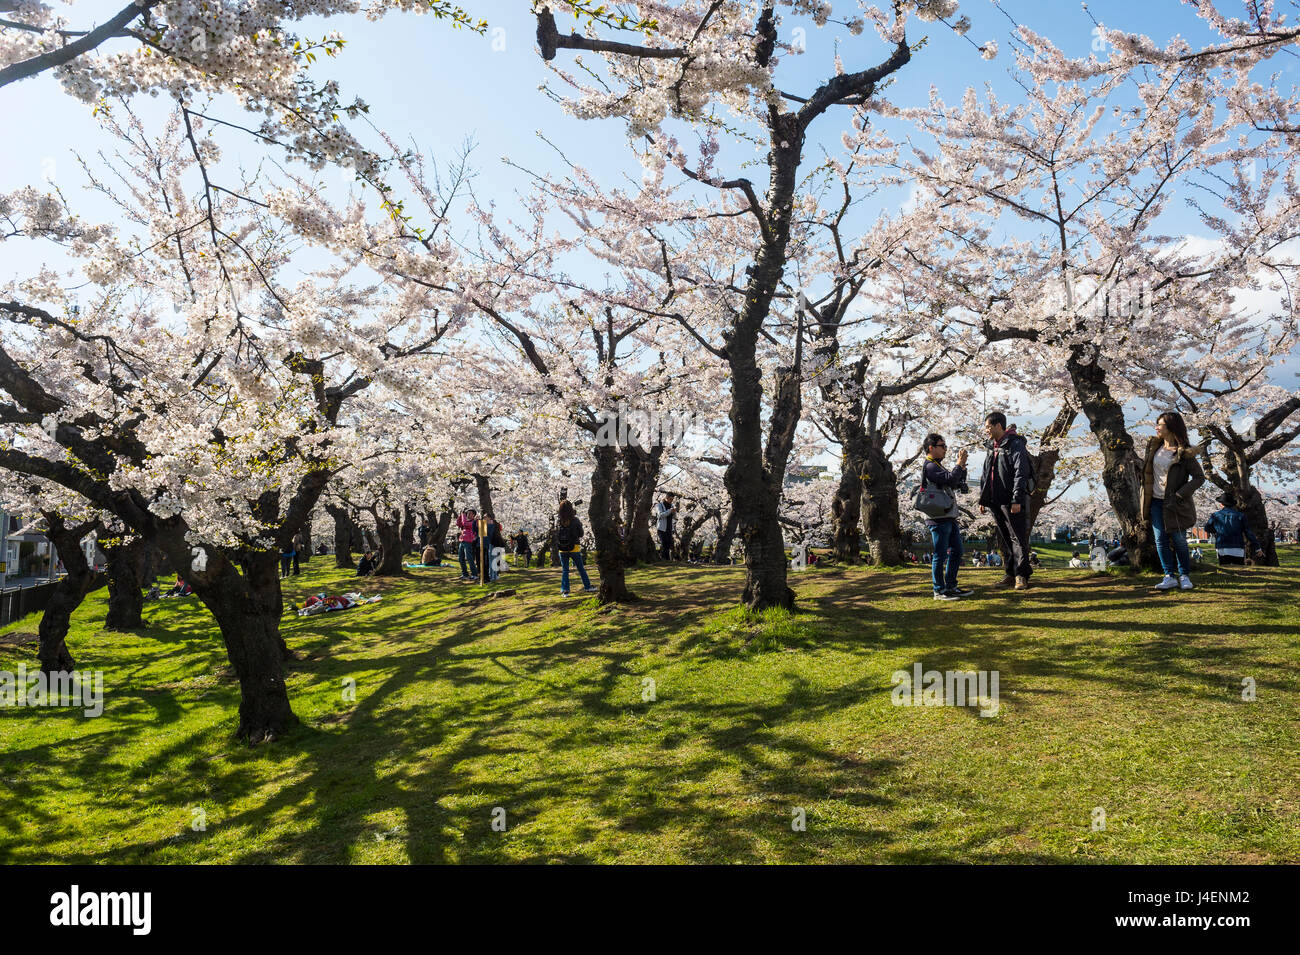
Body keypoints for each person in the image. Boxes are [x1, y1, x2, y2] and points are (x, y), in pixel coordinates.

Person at [1142, 411, 1205, 591]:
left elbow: (1199, 477)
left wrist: (1180, 494)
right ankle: (1169, 575)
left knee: (1179, 539)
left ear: (1170, 427)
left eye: (1160, 424)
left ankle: (1184, 575)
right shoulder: (1154, 447)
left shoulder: (1184, 453)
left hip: (1175, 503)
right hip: (1155, 501)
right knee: (1160, 539)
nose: (1156, 427)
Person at [979, 411, 1034, 591]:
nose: (986, 430)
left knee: (1017, 538)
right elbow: (986, 472)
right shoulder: (991, 446)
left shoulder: (1015, 443)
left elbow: (1021, 472)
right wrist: (983, 498)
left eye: (988, 426)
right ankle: (1011, 573)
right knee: (1006, 538)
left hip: (1012, 500)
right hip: (995, 499)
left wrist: (1017, 498)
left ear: (998, 426)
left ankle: (1022, 575)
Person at [921, 432, 973, 601]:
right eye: (942, 446)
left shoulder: (938, 465)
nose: (945, 449)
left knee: (957, 551)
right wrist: (958, 464)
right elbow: (950, 480)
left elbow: (955, 482)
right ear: (931, 448)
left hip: (948, 515)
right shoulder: (930, 466)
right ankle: (939, 590)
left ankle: (950, 586)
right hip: (937, 517)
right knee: (940, 554)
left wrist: (962, 468)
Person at [1204, 490, 1261, 567]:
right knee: (1239, 569)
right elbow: (1248, 532)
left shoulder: (1215, 515)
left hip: (1222, 546)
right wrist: (1257, 547)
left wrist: (1217, 530)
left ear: (1221, 504)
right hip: (1238, 546)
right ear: (1232, 505)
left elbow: (1207, 528)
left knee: (1225, 568)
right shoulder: (1240, 515)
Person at [554, 499, 597, 595]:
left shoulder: (558, 521)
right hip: (574, 547)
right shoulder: (575, 520)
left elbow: (556, 534)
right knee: (581, 568)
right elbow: (581, 534)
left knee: (565, 570)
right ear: (571, 509)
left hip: (562, 548)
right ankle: (588, 587)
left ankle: (565, 591)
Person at [456, 508, 479, 581]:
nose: (468, 514)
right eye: (467, 513)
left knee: (469, 558)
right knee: (460, 558)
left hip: (468, 541)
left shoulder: (474, 522)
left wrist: (463, 515)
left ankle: (474, 574)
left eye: (470, 513)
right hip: (462, 540)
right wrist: (460, 515)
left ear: (474, 515)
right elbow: (458, 523)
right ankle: (465, 574)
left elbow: (465, 524)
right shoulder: (465, 520)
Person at [655, 492, 679, 561]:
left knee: (668, 544)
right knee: (664, 543)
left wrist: (674, 512)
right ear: (666, 497)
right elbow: (660, 515)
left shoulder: (671, 505)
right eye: (670, 499)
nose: (671, 500)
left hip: (669, 528)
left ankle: (667, 559)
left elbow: (675, 517)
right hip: (661, 528)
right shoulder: (660, 505)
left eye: (672, 499)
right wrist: (669, 511)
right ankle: (663, 559)